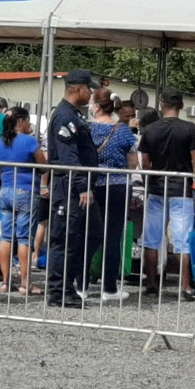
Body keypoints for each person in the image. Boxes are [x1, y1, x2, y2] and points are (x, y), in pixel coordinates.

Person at [137, 87, 195, 300]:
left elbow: (145, 163)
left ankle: (151, 284)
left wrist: (149, 181)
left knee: (152, 239)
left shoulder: (150, 130)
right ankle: (185, 287)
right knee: (183, 240)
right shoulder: (190, 129)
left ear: (161, 105)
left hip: (156, 188)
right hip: (182, 188)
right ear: (181, 106)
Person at [46, 69, 100, 309]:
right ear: (78, 88)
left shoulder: (73, 115)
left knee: (90, 234)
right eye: (90, 88)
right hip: (69, 187)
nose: (92, 93)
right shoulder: (65, 117)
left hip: (78, 185)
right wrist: (81, 186)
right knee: (64, 239)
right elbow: (69, 157)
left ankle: (70, 284)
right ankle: (59, 291)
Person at [87, 87, 138, 302]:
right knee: (113, 236)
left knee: (88, 234)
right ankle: (109, 288)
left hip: (92, 185)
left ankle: (81, 284)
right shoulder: (124, 131)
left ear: (96, 106)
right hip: (118, 185)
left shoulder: (87, 129)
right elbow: (133, 163)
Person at [0, 106, 46, 296]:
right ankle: (25, 283)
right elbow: (43, 165)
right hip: (26, 191)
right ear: (21, 121)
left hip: (5, 190)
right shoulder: (29, 141)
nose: (30, 124)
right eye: (28, 120)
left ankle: (6, 282)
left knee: (6, 237)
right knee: (24, 239)